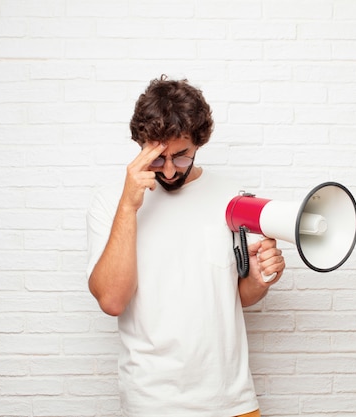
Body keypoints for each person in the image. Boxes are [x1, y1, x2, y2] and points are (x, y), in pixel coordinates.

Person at [86, 75, 286, 417]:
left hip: (231, 401)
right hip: (153, 403)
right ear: (140, 144)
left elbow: (236, 297)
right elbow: (112, 300)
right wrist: (128, 206)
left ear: (199, 142)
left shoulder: (231, 197)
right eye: (156, 158)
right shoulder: (110, 203)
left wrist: (258, 278)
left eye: (180, 157)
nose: (166, 171)